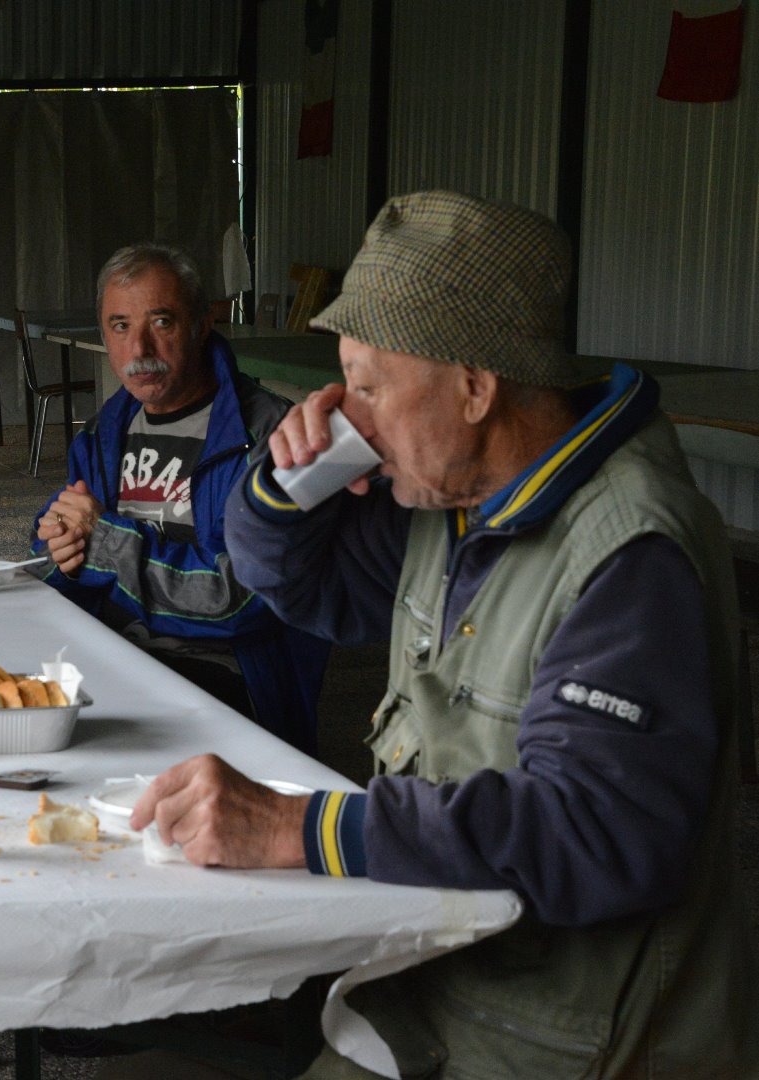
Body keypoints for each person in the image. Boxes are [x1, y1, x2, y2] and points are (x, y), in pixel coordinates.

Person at [134, 192, 758, 1076]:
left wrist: (301, 829)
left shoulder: (628, 555)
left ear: (474, 387)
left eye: (368, 386)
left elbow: (597, 833)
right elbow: (307, 592)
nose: (347, 418)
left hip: (565, 1041)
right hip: (430, 983)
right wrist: (286, 485)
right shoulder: (452, 498)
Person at [31, 244, 328, 754]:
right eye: (120, 326)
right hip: (113, 654)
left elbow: (244, 600)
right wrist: (60, 546)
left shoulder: (272, 438)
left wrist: (103, 544)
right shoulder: (103, 432)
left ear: (201, 324)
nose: (139, 347)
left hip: (224, 675)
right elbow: (75, 553)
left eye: (161, 322)